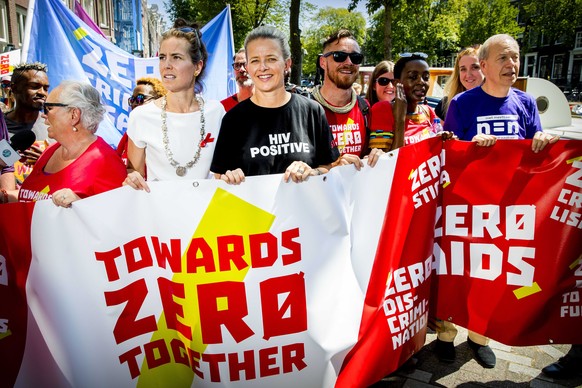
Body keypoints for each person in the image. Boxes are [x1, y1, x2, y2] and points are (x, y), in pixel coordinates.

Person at [210, 26, 339, 184]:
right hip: (252, 208)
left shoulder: (312, 111)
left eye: (271, 59)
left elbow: (329, 166)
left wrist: (313, 172)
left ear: (286, 64)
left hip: (302, 208)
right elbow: (218, 176)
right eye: (255, 60)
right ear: (248, 67)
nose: (263, 67)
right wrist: (229, 177)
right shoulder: (233, 119)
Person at [124, 19, 225, 192]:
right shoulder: (141, 116)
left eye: (176, 57)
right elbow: (134, 172)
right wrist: (132, 178)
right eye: (162, 57)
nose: (166, 65)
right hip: (161, 213)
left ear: (197, 67)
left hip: (207, 212)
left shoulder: (216, 112)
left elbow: (222, 172)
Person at [17, 81, 126, 207]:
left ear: (74, 115)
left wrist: (79, 205)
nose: (43, 115)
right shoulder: (50, 151)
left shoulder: (106, 162)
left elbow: (116, 217)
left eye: (48, 108)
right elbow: (32, 198)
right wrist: (5, 196)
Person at [443, 34, 558, 152]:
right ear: (484, 65)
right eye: (502, 58)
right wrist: (471, 146)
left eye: (515, 57)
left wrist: (544, 141)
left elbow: (536, 153)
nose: (511, 64)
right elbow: (448, 153)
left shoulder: (528, 102)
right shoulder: (460, 103)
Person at [311, 29, 383, 167]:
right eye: (339, 56)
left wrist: (378, 157)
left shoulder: (366, 109)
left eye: (355, 57)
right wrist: (333, 167)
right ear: (323, 62)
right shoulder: (305, 109)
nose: (349, 62)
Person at [5, 62, 52, 187]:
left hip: (43, 203)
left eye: (46, 88)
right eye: (35, 86)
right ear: (14, 88)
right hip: (8, 203)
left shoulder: (54, 127)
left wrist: (48, 162)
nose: (42, 93)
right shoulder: (1, 127)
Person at [116, 77, 167, 165]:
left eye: (140, 98)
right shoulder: (131, 132)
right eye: (132, 100)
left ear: (159, 100)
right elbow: (117, 162)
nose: (135, 103)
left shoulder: (166, 132)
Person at [435, 45, 482, 120]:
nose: (468, 74)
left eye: (475, 67)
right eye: (463, 69)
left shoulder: (498, 102)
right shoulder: (446, 105)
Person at [220, 48, 254, 112]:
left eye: (246, 64)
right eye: (237, 65)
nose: (241, 69)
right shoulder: (222, 108)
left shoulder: (271, 105)